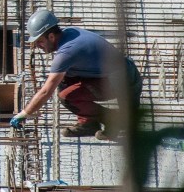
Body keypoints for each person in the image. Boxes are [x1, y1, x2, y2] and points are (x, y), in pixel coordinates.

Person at [10, 9, 143, 139]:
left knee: (66, 96)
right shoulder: (69, 32)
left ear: (51, 36)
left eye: (40, 41)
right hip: (121, 72)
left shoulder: (66, 53)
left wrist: (24, 114)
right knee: (64, 80)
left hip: (124, 82)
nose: (38, 46)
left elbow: (46, 92)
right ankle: (88, 123)